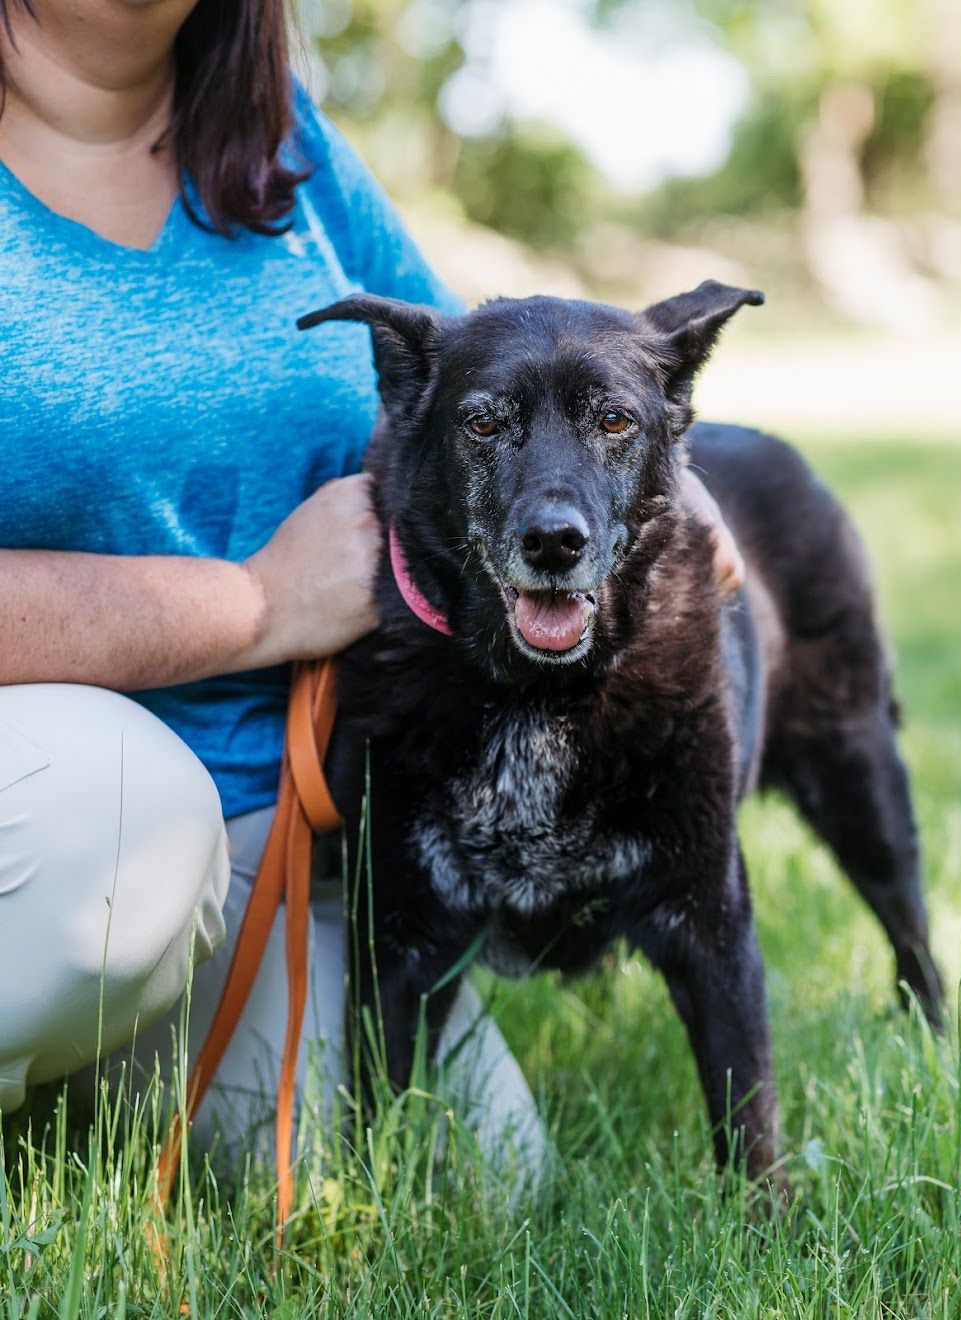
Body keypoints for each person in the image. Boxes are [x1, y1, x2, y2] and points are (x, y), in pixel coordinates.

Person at [0, 0, 743, 1171]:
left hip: (289, 835)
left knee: (482, 1186)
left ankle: (74, 1075)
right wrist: (253, 605)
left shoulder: (280, 141)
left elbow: (470, 370)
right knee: (115, 804)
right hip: (69, 800)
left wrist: (651, 475)